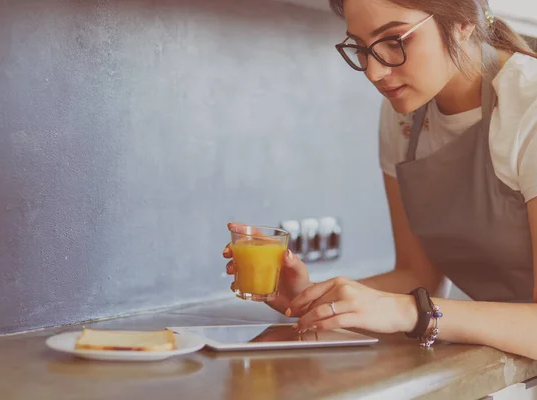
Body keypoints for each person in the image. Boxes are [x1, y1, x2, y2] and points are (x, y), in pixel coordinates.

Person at [223, 0, 537, 359]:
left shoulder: (529, 105)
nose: (373, 72)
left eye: (394, 40)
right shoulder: (403, 119)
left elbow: (412, 305)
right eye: (360, 48)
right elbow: (416, 275)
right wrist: (311, 298)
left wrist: (410, 312)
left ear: (462, 22)